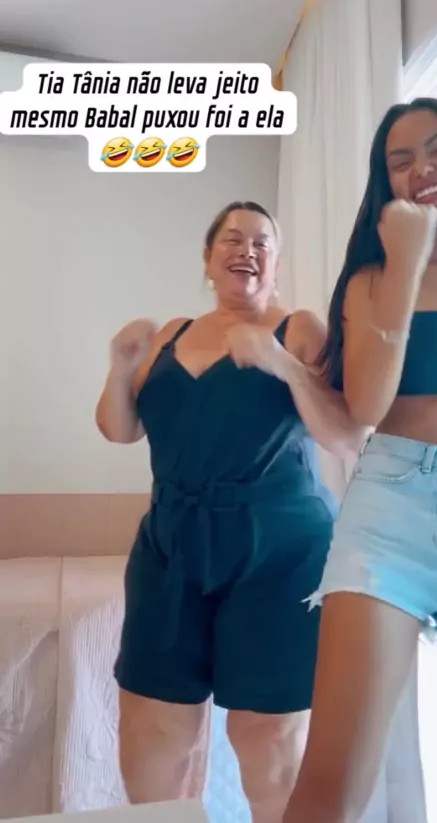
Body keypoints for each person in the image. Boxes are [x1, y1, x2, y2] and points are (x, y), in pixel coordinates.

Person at [95, 200, 364, 822]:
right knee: (152, 734)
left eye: (263, 242)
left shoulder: (300, 329)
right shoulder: (171, 334)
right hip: (171, 546)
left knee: (268, 743)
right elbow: (119, 429)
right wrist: (119, 368)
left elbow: (348, 434)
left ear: (277, 262)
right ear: (208, 257)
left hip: (280, 553)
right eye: (233, 239)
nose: (248, 249)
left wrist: (282, 364)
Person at [282, 98, 437, 823]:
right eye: (401, 160)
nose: (422, 168)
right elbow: (365, 405)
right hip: (392, 515)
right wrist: (404, 265)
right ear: (386, 180)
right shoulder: (373, 276)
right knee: (332, 790)